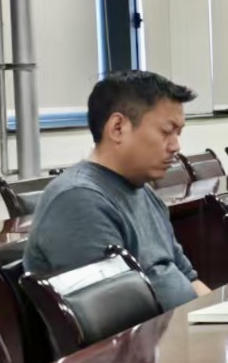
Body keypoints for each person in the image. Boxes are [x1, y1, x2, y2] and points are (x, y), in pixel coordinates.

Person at [24, 70, 211, 310]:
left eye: (178, 133)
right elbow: (117, 315)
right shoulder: (78, 200)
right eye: (166, 132)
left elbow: (190, 279)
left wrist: (221, 316)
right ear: (118, 128)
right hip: (149, 333)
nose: (176, 146)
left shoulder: (144, 191)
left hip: (181, 326)